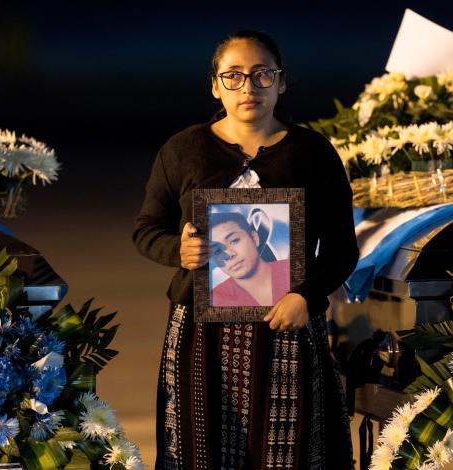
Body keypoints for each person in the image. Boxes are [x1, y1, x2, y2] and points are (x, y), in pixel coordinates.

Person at [133, 29, 359, 469]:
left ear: (282, 82)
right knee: (200, 453)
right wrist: (177, 252)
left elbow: (341, 248)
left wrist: (305, 297)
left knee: (288, 453)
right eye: (233, 76)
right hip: (201, 332)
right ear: (215, 85)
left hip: (286, 324)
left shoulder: (312, 153)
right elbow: (146, 229)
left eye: (262, 75)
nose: (249, 88)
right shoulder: (183, 151)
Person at [209, 211, 289, 307]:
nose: (229, 255)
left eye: (234, 241)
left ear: (255, 238)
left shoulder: (292, 269)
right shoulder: (215, 299)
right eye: (217, 251)